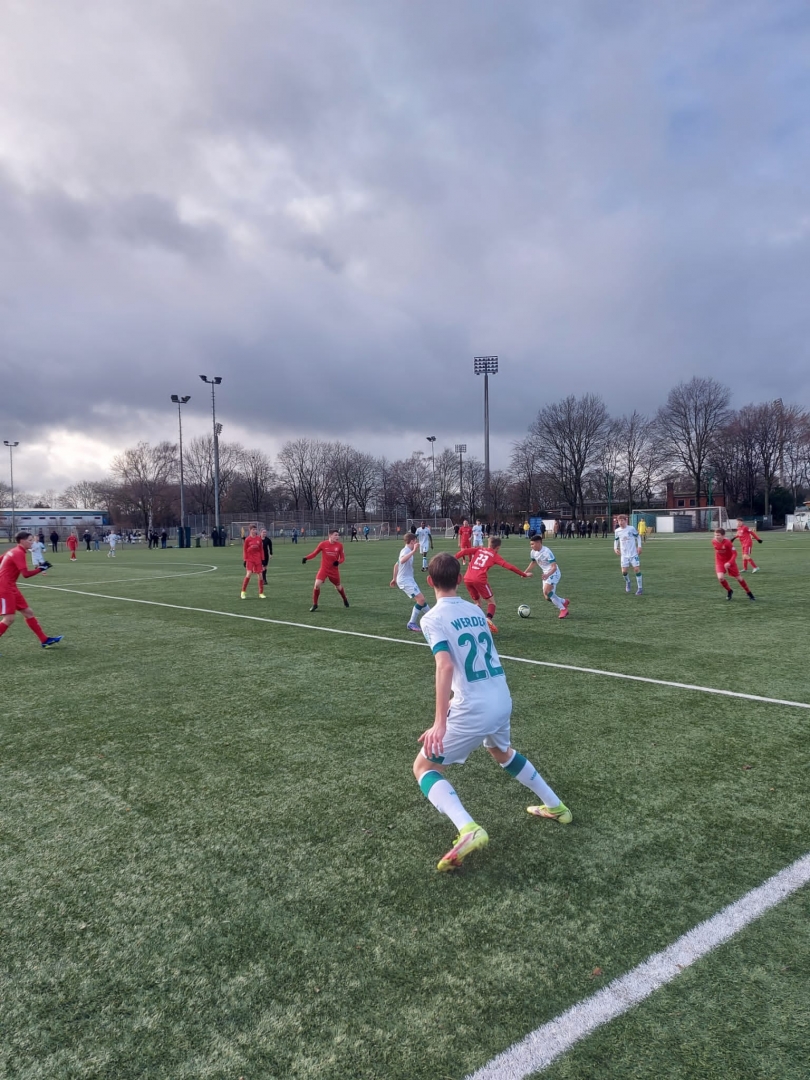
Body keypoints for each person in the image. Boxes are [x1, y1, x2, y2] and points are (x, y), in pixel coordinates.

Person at [413, 552, 571, 873]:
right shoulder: (474, 609)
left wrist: (439, 722)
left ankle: (468, 828)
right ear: (460, 580)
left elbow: (445, 665)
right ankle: (556, 807)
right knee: (501, 751)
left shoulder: (431, 618)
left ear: (430, 582)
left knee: (424, 767)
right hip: (501, 695)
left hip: (475, 705)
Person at [455, 536, 531, 633]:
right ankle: (488, 619)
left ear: (489, 544)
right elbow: (510, 567)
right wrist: (523, 574)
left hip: (467, 578)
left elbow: (464, 552)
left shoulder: (479, 549)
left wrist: (453, 558)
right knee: (491, 602)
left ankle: (473, 622)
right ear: (498, 547)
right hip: (479, 579)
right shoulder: (494, 556)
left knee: (478, 603)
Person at [0, 532, 62, 650]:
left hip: (11, 586)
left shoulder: (12, 551)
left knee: (28, 612)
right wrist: (41, 568)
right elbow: (26, 574)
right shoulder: (18, 553)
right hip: (4, 587)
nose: (32, 542)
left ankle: (44, 640)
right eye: (30, 540)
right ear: (22, 541)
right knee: (9, 618)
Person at [390, 532, 431, 631]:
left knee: (421, 600)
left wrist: (394, 578)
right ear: (412, 541)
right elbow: (402, 560)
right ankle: (411, 623)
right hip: (405, 581)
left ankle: (432, 618)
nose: (417, 543)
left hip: (408, 579)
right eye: (415, 541)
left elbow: (396, 565)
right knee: (421, 599)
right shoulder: (406, 551)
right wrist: (414, 551)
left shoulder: (406, 551)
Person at [524, 534, 570, 619]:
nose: (531, 546)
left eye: (533, 544)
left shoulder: (547, 552)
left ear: (538, 543)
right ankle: (564, 601)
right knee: (547, 597)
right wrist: (525, 572)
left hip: (554, 573)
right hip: (546, 574)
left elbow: (554, 567)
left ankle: (563, 609)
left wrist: (547, 575)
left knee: (547, 591)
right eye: (530, 544)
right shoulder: (533, 552)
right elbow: (533, 562)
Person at [302, 528, 348, 611]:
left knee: (338, 587)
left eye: (338, 535)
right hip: (324, 569)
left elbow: (342, 558)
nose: (337, 537)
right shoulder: (323, 544)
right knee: (317, 585)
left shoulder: (340, 545)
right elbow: (314, 553)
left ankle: (344, 599)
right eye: (335, 535)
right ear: (330, 535)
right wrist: (306, 558)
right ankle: (315, 604)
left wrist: (338, 562)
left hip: (334, 570)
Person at [713, 529, 755, 601]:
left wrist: (729, 562)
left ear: (723, 536)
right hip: (719, 562)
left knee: (739, 578)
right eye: (715, 535)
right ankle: (729, 591)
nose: (716, 537)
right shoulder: (713, 541)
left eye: (718, 535)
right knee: (720, 578)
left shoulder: (728, 542)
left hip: (730, 562)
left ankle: (748, 592)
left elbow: (735, 553)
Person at [614, 514, 643, 594]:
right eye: (619, 521)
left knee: (636, 569)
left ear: (625, 520)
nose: (620, 522)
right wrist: (615, 548)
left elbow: (638, 537)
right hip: (624, 555)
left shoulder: (631, 528)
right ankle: (628, 582)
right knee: (624, 572)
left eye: (622, 520)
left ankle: (640, 588)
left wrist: (639, 547)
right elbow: (616, 540)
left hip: (633, 553)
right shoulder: (617, 531)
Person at [241, 524, 266, 599]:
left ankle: (261, 593)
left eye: (255, 529)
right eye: (253, 530)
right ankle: (243, 592)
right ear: (250, 530)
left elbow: (261, 550)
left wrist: (263, 559)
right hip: (250, 559)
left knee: (260, 575)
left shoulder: (259, 539)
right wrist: (245, 560)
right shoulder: (247, 539)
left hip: (257, 559)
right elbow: (245, 550)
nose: (254, 531)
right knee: (249, 574)